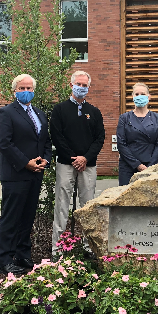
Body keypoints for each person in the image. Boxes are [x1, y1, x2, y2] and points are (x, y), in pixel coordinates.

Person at [0, 74, 52, 275]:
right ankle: (5, 259)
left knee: (28, 216)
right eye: (22, 88)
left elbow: (45, 140)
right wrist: (26, 162)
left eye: (29, 88)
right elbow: (4, 143)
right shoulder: (6, 112)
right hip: (15, 173)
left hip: (36, 173)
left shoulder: (39, 113)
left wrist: (46, 160)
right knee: (11, 217)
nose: (26, 91)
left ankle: (22, 254)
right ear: (14, 91)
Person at [50, 70, 105, 254]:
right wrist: (73, 158)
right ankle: (58, 249)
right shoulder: (59, 110)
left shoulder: (94, 112)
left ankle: (89, 247)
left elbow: (99, 138)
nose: (81, 87)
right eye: (78, 84)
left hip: (88, 165)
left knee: (88, 206)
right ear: (71, 85)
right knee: (62, 205)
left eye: (84, 85)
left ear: (89, 87)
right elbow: (57, 136)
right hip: (66, 164)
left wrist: (85, 158)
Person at [116, 82, 158, 186]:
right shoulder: (124, 118)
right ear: (132, 97)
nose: (139, 96)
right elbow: (121, 143)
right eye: (136, 94)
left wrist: (151, 166)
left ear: (149, 96)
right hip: (128, 165)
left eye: (142, 94)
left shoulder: (157, 118)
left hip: (150, 165)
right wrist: (137, 165)